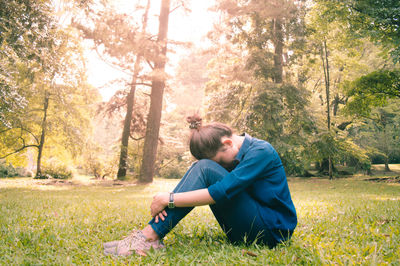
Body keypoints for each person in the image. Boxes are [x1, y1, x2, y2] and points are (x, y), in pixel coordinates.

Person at [103, 115, 297, 256]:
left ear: (228, 143)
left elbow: (221, 192)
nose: (219, 166)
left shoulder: (261, 152)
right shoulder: (238, 153)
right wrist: (170, 200)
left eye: (219, 161)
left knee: (204, 168)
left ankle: (149, 235)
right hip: (251, 226)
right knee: (201, 166)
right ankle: (149, 235)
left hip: (270, 233)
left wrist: (168, 199)